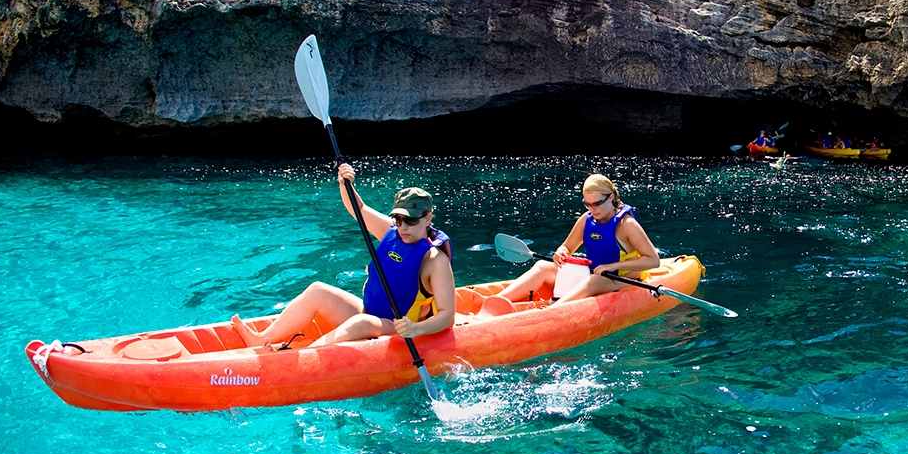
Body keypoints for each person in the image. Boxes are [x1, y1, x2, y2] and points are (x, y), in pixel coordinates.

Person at [232, 164, 456, 349]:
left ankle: (301, 358)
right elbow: (358, 208)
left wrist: (415, 329)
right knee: (318, 290)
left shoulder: (435, 260)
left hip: (398, 325)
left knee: (362, 322)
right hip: (369, 311)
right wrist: (344, 182)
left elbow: (447, 316)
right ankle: (260, 340)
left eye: (411, 220)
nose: (403, 227)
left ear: (428, 218)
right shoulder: (393, 232)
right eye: (398, 220)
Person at [496, 173, 660, 304]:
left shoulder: (627, 224)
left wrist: (612, 266)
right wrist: (560, 253)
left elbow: (653, 260)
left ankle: (554, 311)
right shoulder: (587, 219)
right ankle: (496, 300)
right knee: (542, 266)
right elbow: (567, 247)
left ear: (611, 197)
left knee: (594, 280)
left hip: (622, 279)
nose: (592, 209)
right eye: (587, 204)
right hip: (593, 275)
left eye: (597, 203)